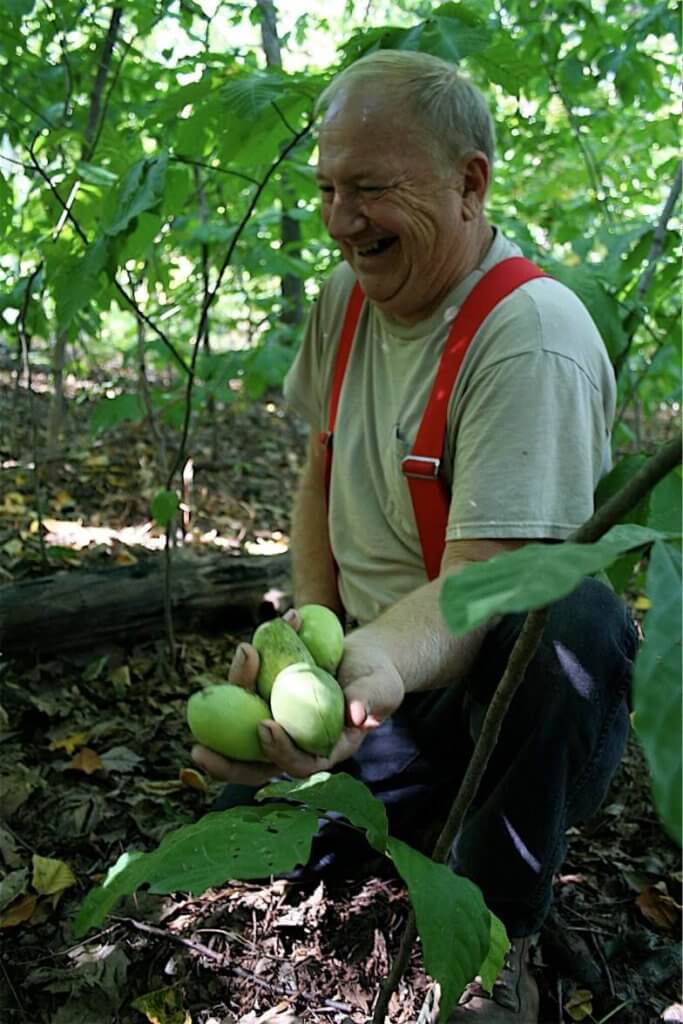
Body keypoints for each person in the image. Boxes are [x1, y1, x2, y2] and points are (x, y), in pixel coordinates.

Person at [192, 51, 638, 1023]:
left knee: (574, 621)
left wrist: (364, 671)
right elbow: (317, 473)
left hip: (483, 691)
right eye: (325, 189)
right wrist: (305, 647)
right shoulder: (344, 301)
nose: (339, 220)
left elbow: (492, 586)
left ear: (468, 181)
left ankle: (497, 927)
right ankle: (420, 809)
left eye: (370, 189)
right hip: (377, 677)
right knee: (227, 860)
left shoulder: (528, 336)